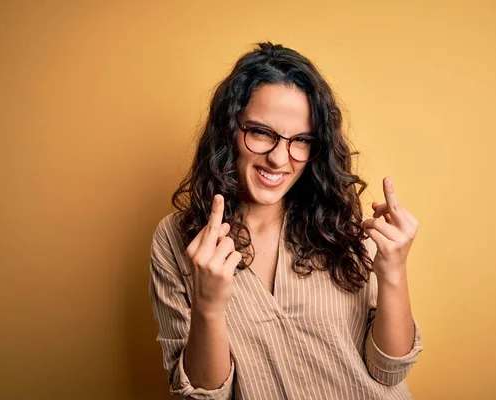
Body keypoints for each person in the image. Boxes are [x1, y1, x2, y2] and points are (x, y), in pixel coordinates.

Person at [148, 42, 423, 400]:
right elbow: (202, 397)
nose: (280, 159)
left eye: (301, 140)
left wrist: (394, 274)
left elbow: (390, 370)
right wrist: (208, 307)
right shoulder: (175, 239)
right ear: (229, 129)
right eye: (261, 132)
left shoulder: (345, 223)